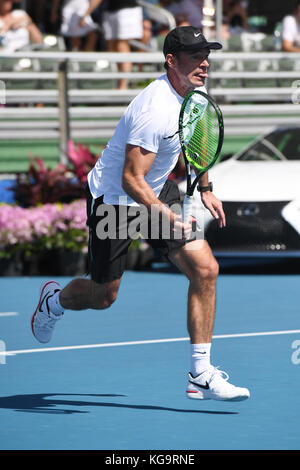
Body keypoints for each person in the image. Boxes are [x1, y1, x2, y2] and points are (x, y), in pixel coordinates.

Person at [31, 26, 250, 402]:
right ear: (171, 61)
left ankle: (200, 372)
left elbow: (196, 141)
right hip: (115, 199)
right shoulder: (154, 109)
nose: (205, 63)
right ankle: (54, 301)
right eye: (196, 57)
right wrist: (165, 213)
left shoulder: (196, 93)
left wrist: (207, 188)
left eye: (206, 55)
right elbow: (130, 178)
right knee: (103, 297)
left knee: (205, 269)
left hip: (156, 187)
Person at [81, 0, 143, 89]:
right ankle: (119, 84)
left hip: (126, 10)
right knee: (113, 49)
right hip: (111, 11)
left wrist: (85, 14)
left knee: (122, 46)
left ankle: (123, 86)